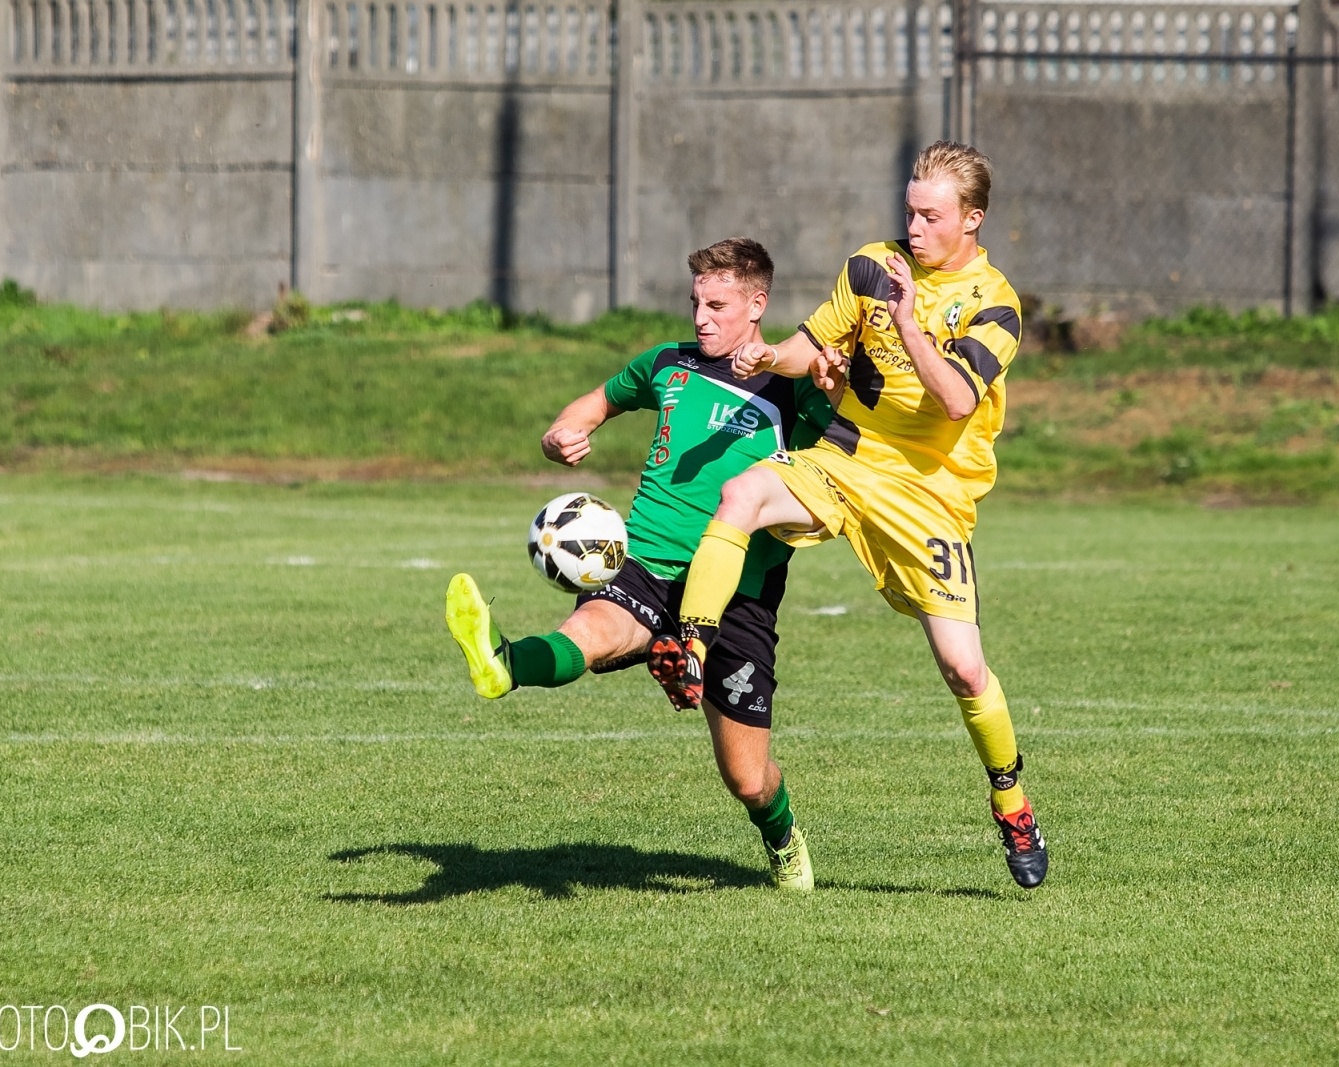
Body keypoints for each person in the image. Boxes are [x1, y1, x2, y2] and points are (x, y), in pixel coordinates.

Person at [648, 142, 1048, 888]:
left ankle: (1012, 800)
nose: (914, 226)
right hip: (845, 457)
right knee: (743, 494)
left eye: (930, 215)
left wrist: (907, 322)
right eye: (909, 210)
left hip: (931, 493)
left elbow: (955, 400)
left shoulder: (995, 302)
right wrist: (771, 358)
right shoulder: (870, 265)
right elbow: (811, 345)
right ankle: (692, 648)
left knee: (964, 669)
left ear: (972, 219)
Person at [444, 237, 832, 890]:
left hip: (739, 591)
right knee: (590, 633)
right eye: (695, 303)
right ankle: (502, 661)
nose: (701, 317)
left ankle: (782, 835)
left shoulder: (791, 389)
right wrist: (562, 432)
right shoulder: (667, 365)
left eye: (717, 304)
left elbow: (833, 471)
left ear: (757, 303)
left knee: (746, 777)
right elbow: (595, 403)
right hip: (644, 560)